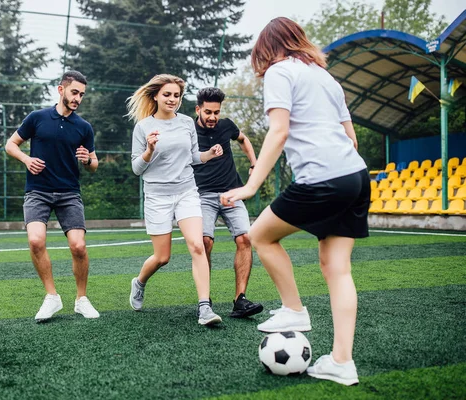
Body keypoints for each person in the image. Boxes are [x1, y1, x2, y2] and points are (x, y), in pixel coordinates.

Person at [220, 17, 369, 386]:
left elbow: (280, 130)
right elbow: (350, 138)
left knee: (260, 235)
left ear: (266, 49)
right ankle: (341, 362)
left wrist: (252, 184)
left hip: (322, 177)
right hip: (356, 176)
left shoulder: (279, 72)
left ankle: (294, 309)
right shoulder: (325, 76)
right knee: (337, 268)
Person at [127, 74, 224, 326]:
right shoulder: (143, 127)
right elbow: (137, 169)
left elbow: (193, 157)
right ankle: (139, 283)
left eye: (177, 95)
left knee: (197, 245)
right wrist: (149, 150)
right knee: (162, 257)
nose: (172, 99)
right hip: (157, 196)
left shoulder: (186, 123)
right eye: (167, 94)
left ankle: (204, 307)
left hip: (186, 192)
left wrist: (210, 154)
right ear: (156, 96)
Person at [5, 70, 100, 323]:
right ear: (61, 90)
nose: (78, 98)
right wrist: (26, 159)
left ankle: (81, 299)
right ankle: (52, 297)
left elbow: (94, 164)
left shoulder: (83, 127)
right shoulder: (37, 118)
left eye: (81, 94)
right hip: (37, 191)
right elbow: (10, 144)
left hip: (69, 193)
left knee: (78, 246)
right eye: (74, 92)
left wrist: (88, 159)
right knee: (36, 241)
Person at [192, 87, 264, 318]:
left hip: (232, 192)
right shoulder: (188, 130)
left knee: (245, 238)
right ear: (198, 110)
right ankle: (205, 300)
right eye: (208, 112)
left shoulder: (226, 126)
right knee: (205, 242)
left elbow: (243, 139)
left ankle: (240, 300)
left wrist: (254, 164)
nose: (213, 117)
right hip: (202, 195)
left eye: (216, 112)